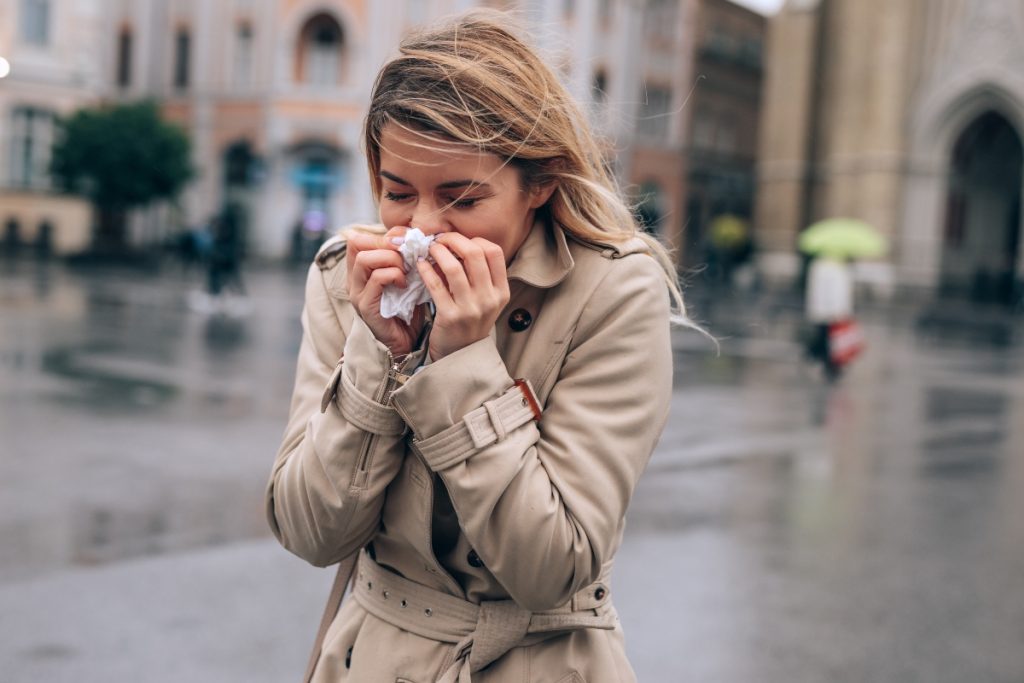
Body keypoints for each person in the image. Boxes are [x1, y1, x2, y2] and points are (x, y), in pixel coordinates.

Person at [267, 12, 692, 682]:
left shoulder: (614, 290)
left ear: (541, 183)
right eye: (397, 193)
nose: (423, 229)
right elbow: (310, 531)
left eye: (462, 199)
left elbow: (553, 565)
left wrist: (464, 365)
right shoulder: (343, 277)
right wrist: (381, 355)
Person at [804, 254, 854, 379]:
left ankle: (817, 356)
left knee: (825, 337)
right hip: (834, 313)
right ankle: (826, 361)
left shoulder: (818, 266)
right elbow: (842, 295)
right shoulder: (840, 269)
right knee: (831, 340)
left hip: (822, 312)